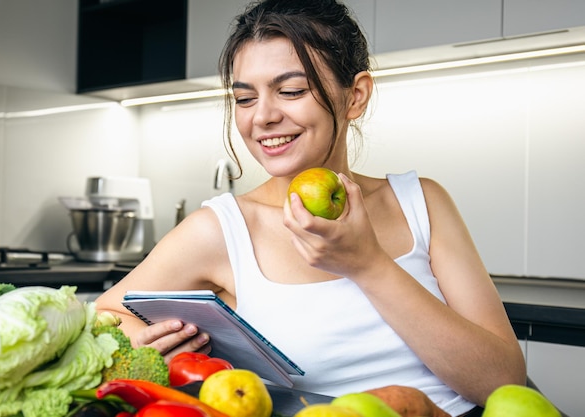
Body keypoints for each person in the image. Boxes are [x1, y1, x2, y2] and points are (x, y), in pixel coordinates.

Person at [95, 0, 526, 415]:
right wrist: (152, 346)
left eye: (290, 90)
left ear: (355, 96)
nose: (261, 116)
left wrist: (368, 264)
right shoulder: (223, 229)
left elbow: (503, 383)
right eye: (244, 99)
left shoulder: (423, 202)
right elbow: (105, 315)